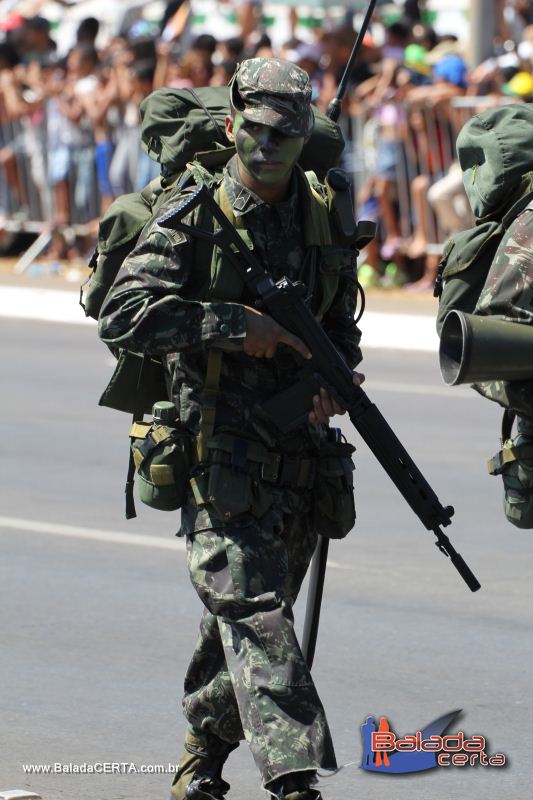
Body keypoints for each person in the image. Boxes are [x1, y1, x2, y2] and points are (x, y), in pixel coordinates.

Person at [98, 57, 364, 800]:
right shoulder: (195, 213)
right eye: (255, 130)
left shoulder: (320, 214)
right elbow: (124, 314)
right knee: (256, 615)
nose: (268, 146)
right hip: (218, 453)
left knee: (248, 619)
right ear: (229, 126)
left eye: (285, 135)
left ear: (303, 136)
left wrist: (332, 381)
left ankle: (201, 751)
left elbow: (340, 325)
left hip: (300, 453)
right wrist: (234, 325)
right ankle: (295, 779)